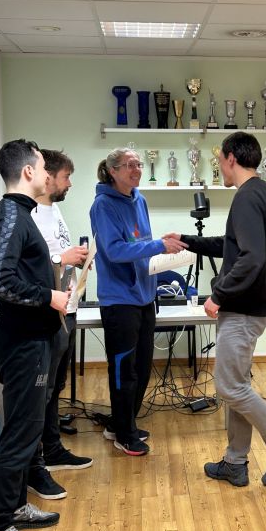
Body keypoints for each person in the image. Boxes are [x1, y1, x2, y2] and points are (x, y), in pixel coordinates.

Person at [165, 131, 266, 487]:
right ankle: (234, 462)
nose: (219, 168)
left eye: (219, 162)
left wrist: (219, 295)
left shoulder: (246, 198)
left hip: (242, 308)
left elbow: (251, 258)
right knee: (238, 385)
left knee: (230, 388)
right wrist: (189, 241)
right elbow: (233, 246)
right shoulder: (262, 193)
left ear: (230, 158)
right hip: (253, 305)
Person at [0, 139, 69, 531]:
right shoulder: (10, 215)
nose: (47, 175)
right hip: (21, 344)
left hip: (33, 339)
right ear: (27, 172)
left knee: (26, 430)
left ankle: (16, 506)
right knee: (20, 434)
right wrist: (48, 297)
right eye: (42, 167)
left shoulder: (22, 215)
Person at [89, 148, 186, 457]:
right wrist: (158, 245)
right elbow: (115, 250)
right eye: (129, 165)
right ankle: (125, 434)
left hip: (145, 296)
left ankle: (122, 424)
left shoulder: (139, 199)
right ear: (113, 171)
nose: (137, 169)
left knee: (143, 368)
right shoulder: (103, 205)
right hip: (119, 301)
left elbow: (142, 245)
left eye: (139, 164)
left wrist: (161, 249)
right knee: (124, 371)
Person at [27, 149, 93, 501]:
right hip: (46, 311)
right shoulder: (29, 214)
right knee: (42, 390)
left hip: (67, 307)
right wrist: (60, 258)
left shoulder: (54, 209)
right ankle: (35, 463)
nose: (69, 184)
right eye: (65, 177)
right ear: (48, 176)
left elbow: (59, 255)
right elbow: (28, 264)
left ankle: (51, 450)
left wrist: (77, 261)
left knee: (55, 387)